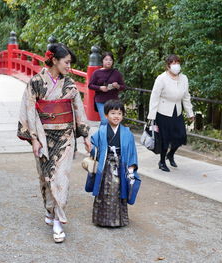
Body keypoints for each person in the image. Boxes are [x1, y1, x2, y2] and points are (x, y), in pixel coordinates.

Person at [17, 43, 91, 243]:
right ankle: (50, 210)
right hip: (43, 136)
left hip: (65, 136)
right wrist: (33, 138)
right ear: (55, 60)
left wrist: (85, 136)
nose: (69, 67)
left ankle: (58, 221)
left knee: (61, 178)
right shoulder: (36, 82)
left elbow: (78, 110)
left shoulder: (70, 85)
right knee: (45, 177)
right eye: (66, 62)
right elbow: (29, 109)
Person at [90, 99, 138, 227]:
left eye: (119, 113)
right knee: (104, 191)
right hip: (105, 165)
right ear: (106, 115)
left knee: (119, 190)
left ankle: (118, 219)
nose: (116, 116)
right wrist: (94, 150)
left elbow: (132, 151)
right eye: (112, 113)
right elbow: (93, 144)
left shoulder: (127, 133)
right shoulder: (101, 131)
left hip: (120, 165)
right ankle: (102, 219)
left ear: (122, 116)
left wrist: (131, 167)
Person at [147, 54, 194, 172]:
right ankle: (162, 161)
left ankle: (171, 154)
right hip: (163, 112)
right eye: (173, 63)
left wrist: (190, 113)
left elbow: (186, 97)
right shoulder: (161, 78)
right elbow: (154, 97)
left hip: (177, 111)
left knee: (181, 136)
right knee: (165, 139)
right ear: (168, 66)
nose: (176, 65)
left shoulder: (184, 78)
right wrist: (151, 116)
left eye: (177, 62)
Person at [88, 52, 126, 125]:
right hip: (100, 100)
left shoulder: (116, 73)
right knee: (105, 120)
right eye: (106, 59)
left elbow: (123, 86)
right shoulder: (97, 73)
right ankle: (102, 135)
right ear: (102, 61)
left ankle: (103, 135)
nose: (108, 61)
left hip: (113, 101)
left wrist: (117, 86)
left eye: (110, 60)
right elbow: (90, 85)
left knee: (112, 121)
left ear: (113, 62)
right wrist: (100, 88)